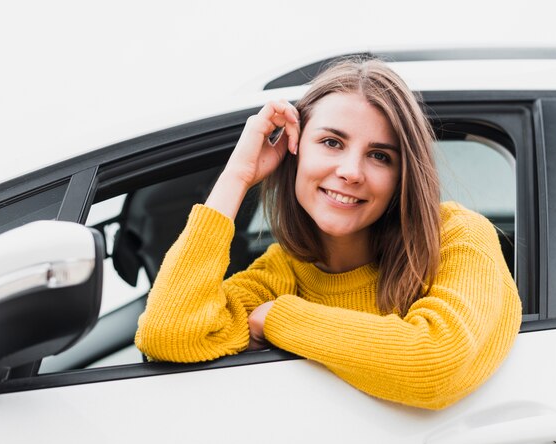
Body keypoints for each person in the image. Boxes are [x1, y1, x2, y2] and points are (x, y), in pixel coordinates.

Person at [135, 58, 522, 410]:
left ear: (403, 176)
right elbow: (168, 334)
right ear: (295, 148)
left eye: (380, 155)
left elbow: (436, 364)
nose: (351, 171)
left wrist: (275, 319)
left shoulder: (458, 236)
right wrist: (237, 175)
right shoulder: (281, 272)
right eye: (331, 142)